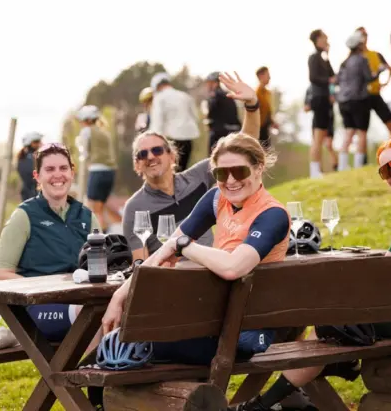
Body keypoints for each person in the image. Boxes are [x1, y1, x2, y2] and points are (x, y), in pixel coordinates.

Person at [231, 134, 391, 411]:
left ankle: (262, 404)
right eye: (386, 170)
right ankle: (319, 376)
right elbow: (386, 265)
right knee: (330, 320)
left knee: (325, 327)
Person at [101, 132, 290, 367]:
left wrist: (185, 246)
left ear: (259, 168)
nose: (230, 180)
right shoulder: (216, 198)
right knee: (123, 344)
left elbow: (233, 267)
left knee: (128, 347)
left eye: (239, 171)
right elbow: (166, 250)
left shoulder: (272, 214)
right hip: (211, 321)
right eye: (222, 173)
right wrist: (119, 296)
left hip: (244, 332)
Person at [122, 72, 261, 261]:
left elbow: (245, 146)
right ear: (137, 165)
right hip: (170, 282)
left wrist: (251, 105)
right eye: (142, 154)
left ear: (172, 156)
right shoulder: (134, 208)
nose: (151, 157)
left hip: (213, 273)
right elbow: (140, 266)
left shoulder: (198, 177)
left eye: (157, 150)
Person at [0, 143, 100, 335]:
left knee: (114, 311)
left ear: (72, 173)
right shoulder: (24, 216)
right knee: (91, 317)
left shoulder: (86, 216)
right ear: (37, 176)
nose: (57, 175)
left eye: (63, 168)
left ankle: (103, 364)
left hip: (81, 300)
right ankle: (89, 366)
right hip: (36, 308)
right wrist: (45, 290)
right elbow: (2, 273)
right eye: (49, 169)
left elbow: (100, 265)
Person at [336, 30, 381, 170]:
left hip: (343, 101)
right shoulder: (362, 60)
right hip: (359, 100)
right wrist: (379, 71)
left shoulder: (344, 63)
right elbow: (369, 78)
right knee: (362, 133)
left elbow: (338, 81)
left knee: (349, 132)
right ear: (359, 45)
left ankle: (342, 166)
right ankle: (358, 166)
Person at [76, 105, 121, 232]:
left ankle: (97, 241)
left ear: (87, 119)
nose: (80, 123)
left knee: (92, 209)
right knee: (100, 209)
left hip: (97, 172)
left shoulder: (87, 131)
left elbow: (83, 152)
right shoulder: (104, 132)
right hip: (110, 173)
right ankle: (104, 237)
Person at [150, 72, 201, 172]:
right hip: (188, 139)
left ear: (157, 86)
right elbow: (196, 117)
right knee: (183, 170)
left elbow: (157, 123)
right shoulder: (185, 96)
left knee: (171, 173)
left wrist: (153, 143)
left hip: (172, 140)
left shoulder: (159, 98)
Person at [356, 27, 391, 136]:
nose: (363, 38)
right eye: (360, 35)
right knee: (362, 130)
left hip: (375, 94)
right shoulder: (355, 57)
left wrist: (385, 83)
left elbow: (389, 68)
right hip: (362, 97)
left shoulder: (376, 54)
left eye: (364, 35)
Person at [307, 29, 336, 178]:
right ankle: (314, 171)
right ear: (318, 39)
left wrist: (328, 54)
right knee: (318, 136)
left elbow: (332, 74)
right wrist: (328, 81)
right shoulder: (313, 58)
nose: (327, 39)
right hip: (318, 99)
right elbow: (313, 78)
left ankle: (317, 170)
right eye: (324, 37)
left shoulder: (323, 58)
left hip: (325, 100)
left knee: (322, 135)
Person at [205, 71, 242, 155]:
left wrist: (210, 123)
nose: (207, 85)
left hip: (220, 132)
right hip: (233, 131)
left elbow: (211, 114)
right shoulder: (227, 94)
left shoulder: (215, 95)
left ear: (215, 83)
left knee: (212, 158)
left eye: (209, 83)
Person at [304, 86, 338, 172]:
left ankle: (336, 168)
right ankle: (318, 171)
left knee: (329, 145)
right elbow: (306, 108)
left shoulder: (329, 86)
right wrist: (316, 103)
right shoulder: (309, 89)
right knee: (316, 144)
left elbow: (333, 99)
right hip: (317, 119)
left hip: (329, 118)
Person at [255, 66, 278, 147]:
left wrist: (272, 122)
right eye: (267, 75)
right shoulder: (256, 93)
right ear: (261, 76)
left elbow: (267, 111)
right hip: (257, 129)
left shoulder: (267, 93)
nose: (269, 77)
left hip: (265, 128)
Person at [17, 131, 43, 202]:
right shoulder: (25, 159)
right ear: (30, 143)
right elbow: (29, 178)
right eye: (36, 142)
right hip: (30, 194)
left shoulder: (35, 157)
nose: (39, 144)